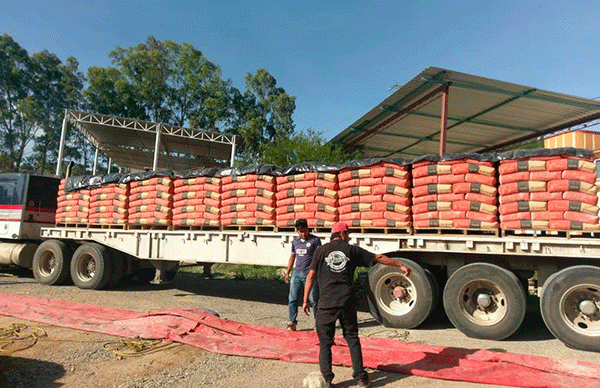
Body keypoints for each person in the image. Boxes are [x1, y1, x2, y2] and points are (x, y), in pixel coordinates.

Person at [303, 221, 410, 388]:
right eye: (348, 234)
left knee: (325, 343)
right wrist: (400, 265)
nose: (349, 237)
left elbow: (310, 276)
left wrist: (305, 300)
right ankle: (360, 378)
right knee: (352, 338)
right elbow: (378, 258)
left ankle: (327, 380)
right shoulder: (351, 250)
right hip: (346, 301)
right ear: (343, 234)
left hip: (326, 304)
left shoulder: (321, 250)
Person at [285, 218, 322, 331]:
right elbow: (292, 256)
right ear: (297, 231)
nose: (303, 233)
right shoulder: (295, 242)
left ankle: (319, 324)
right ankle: (292, 321)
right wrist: (288, 271)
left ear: (308, 229)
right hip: (297, 273)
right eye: (301, 231)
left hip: (309, 275)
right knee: (292, 298)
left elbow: (319, 258)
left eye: (305, 231)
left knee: (313, 300)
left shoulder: (315, 241)